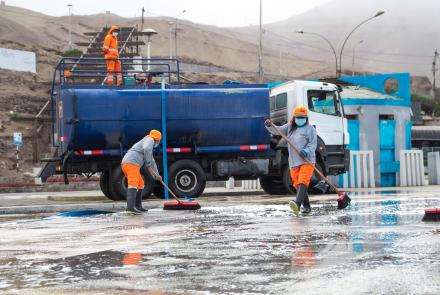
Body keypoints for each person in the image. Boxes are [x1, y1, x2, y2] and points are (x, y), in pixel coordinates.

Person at [265, 106, 317, 216]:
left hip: (307, 160)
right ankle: (307, 207)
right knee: (297, 184)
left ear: (306, 118)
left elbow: (313, 144)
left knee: (303, 181)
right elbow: (277, 130)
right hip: (294, 161)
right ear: (294, 117)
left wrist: (306, 151)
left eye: (302, 117)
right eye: (298, 117)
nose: (300, 119)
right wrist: (269, 125)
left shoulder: (310, 129)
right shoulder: (289, 127)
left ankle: (297, 204)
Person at [121, 130, 162, 214]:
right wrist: (148, 163)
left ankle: (138, 206)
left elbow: (152, 162)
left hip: (130, 163)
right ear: (157, 139)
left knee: (140, 184)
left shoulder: (148, 144)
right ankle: (130, 208)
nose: (158, 143)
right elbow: (146, 149)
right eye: (159, 141)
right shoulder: (150, 139)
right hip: (131, 163)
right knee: (133, 183)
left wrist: (157, 175)